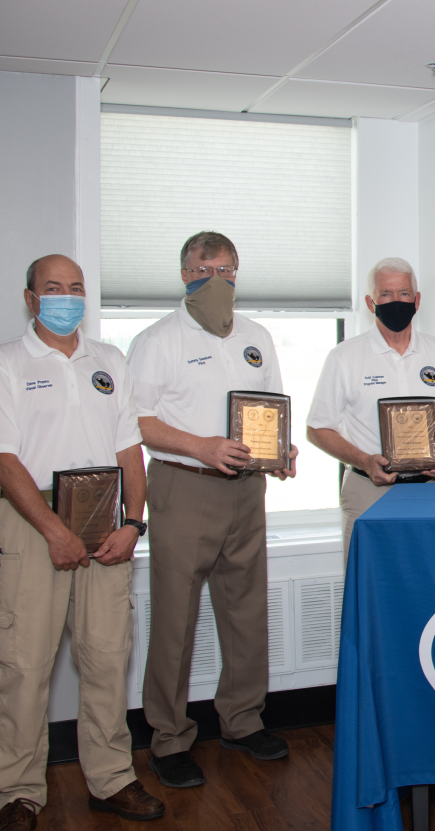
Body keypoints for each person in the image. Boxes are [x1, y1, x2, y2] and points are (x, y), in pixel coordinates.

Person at [0, 254, 163, 831]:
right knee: (24, 666)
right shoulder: (3, 363)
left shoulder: (109, 361)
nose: (65, 297)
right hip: (32, 522)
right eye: (53, 288)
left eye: (75, 288)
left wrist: (134, 522)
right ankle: (18, 797)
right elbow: (2, 457)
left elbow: (130, 447)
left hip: (107, 516)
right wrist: (54, 529)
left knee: (107, 656)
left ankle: (110, 779)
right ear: (31, 299)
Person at [127, 231, 298, 790]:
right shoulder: (157, 340)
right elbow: (137, 422)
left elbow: (271, 407)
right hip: (185, 485)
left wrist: (283, 449)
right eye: (208, 269)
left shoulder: (255, 337)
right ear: (185, 275)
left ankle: (242, 721)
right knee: (176, 617)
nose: (219, 279)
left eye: (229, 270)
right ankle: (170, 738)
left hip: (247, 489)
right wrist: (200, 445)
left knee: (247, 611)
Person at [307, 258, 435, 555]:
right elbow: (317, 428)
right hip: (369, 490)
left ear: (417, 300)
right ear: (371, 303)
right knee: (370, 585)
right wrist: (364, 460)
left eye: (404, 294)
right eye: (386, 294)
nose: (396, 301)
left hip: (433, 488)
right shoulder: (344, 357)